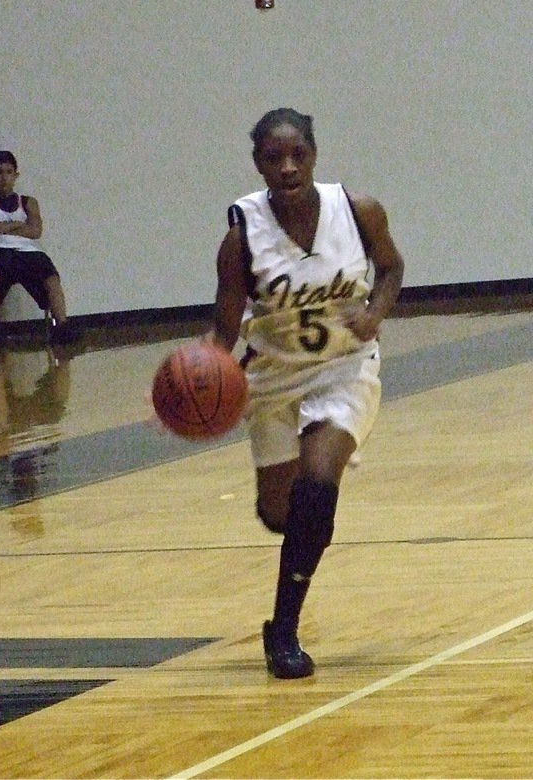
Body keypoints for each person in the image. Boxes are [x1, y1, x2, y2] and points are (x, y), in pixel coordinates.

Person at [210, 108, 404, 679]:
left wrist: (375, 312)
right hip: (271, 379)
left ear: (315, 154)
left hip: (345, 366)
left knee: (319, 485)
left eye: (298, 154)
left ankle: (284, 630)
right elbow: (224, 329)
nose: (288, 166)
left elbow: (391, 269)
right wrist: (188, 380)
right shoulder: (241, 236)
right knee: (282, 515)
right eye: (275, 157)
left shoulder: (359, 210)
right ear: (258, 164)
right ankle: (293, 531)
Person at [0, 150, 77, 346]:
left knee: (51, 277)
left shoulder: (28, 202)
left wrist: (1, 228)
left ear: (16, 175)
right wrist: (16, 225)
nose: (4, 178)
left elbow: (36, 231)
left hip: (29, 252)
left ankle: (62, 326)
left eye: (9, 172)